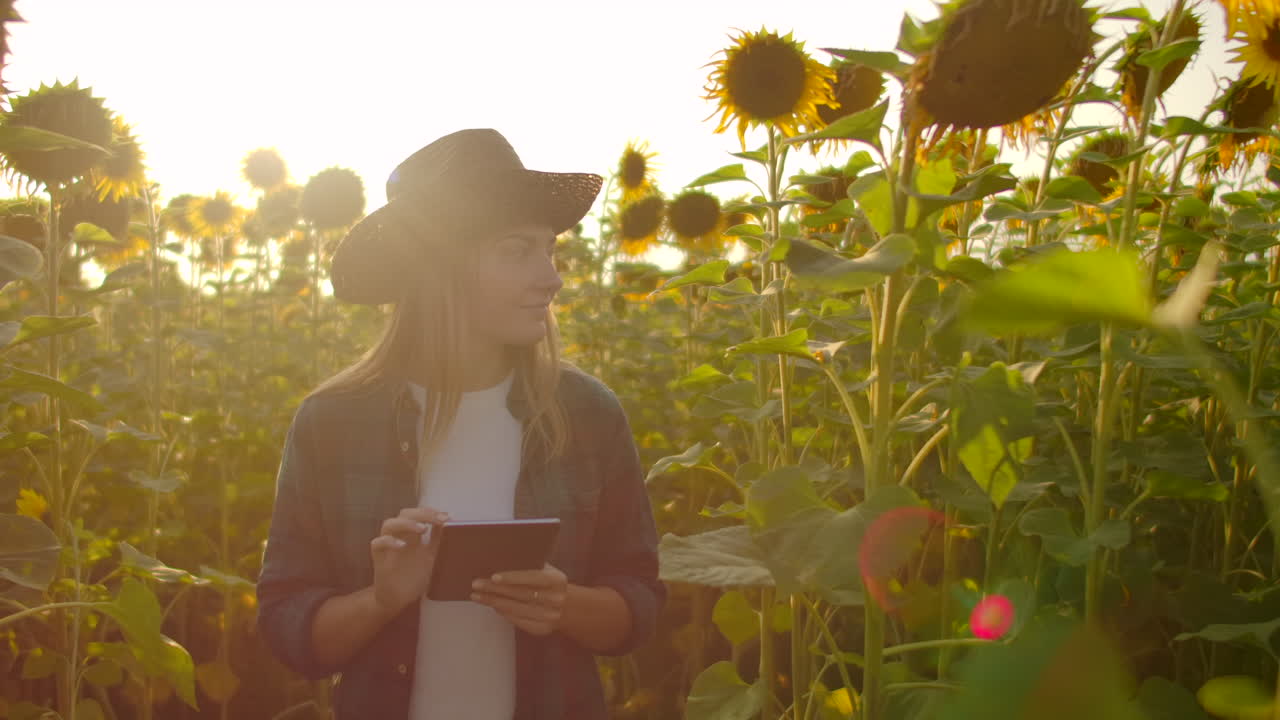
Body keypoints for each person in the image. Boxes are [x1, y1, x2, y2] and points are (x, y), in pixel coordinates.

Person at [255, 128, 666, 720]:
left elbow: (641, 603)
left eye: (548, 249)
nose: (550, 278)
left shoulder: (587, 414)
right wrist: (381, 599)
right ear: (442, 268)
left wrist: (565, 605)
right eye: (516, 251)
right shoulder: (333, 423)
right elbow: (287, 628)